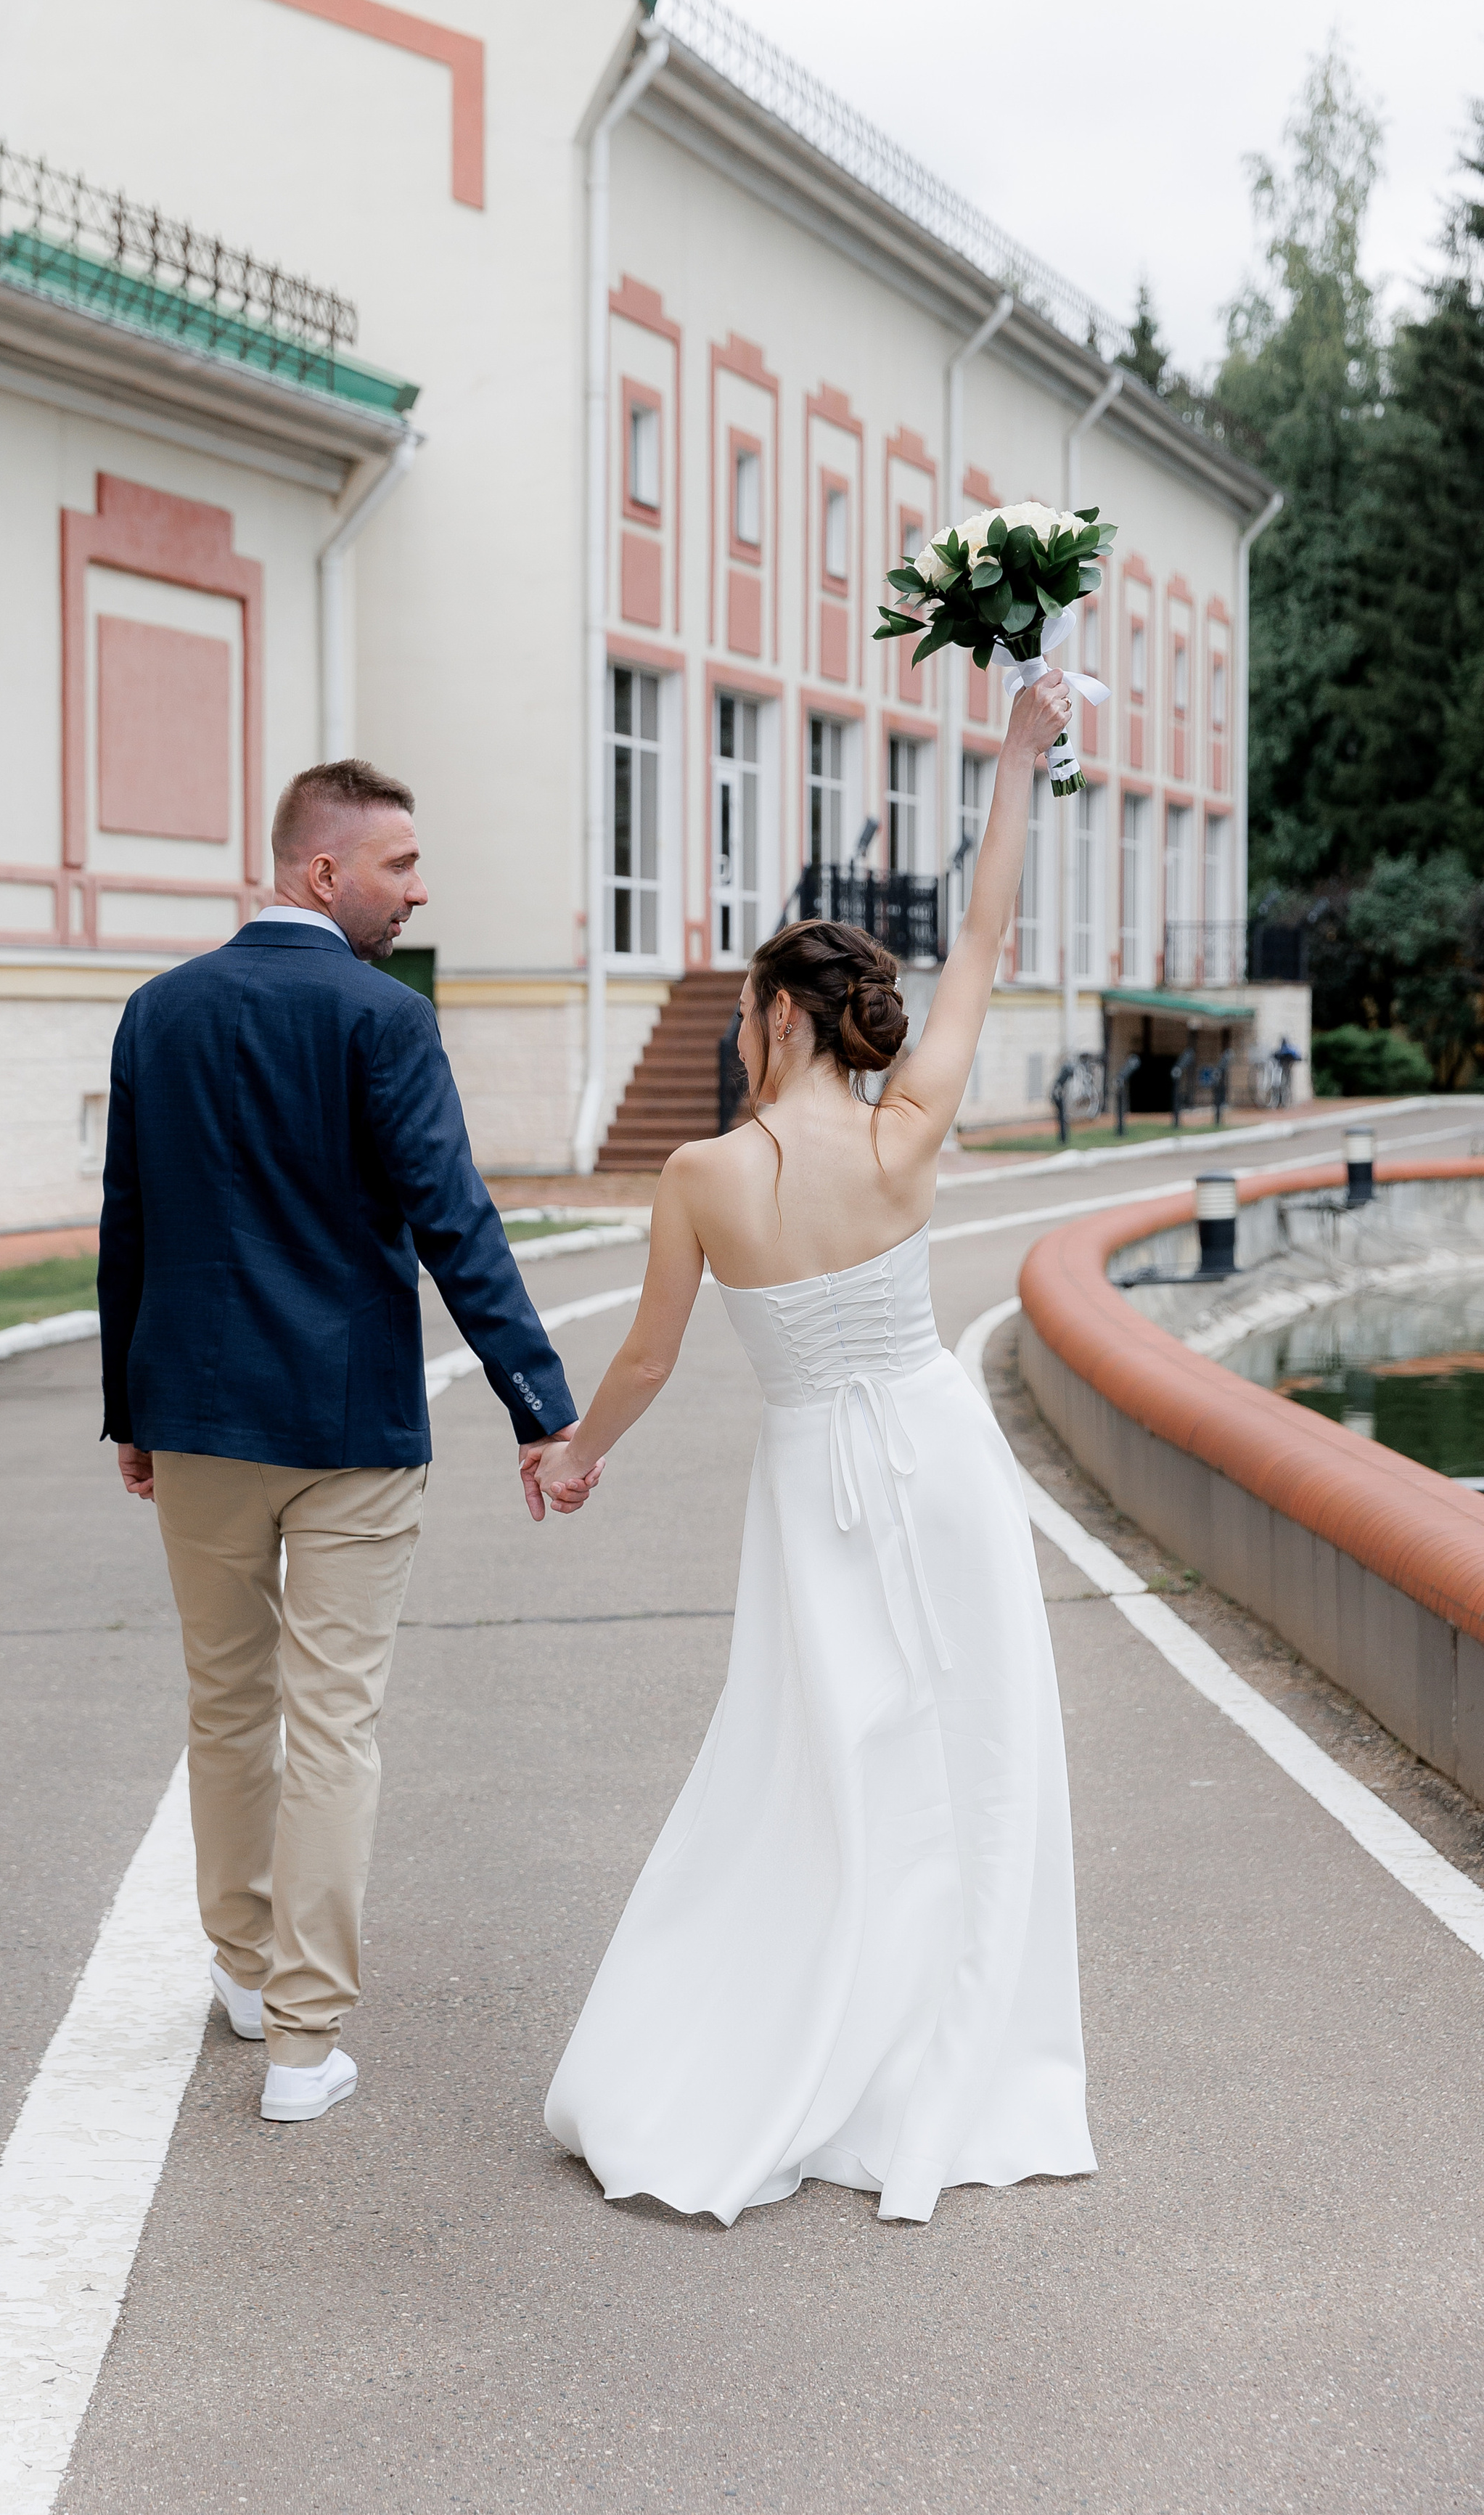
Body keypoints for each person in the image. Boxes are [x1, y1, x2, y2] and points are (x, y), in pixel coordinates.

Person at [538, 671, 1097, 2226]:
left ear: (778, 1012)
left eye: (737, 1008)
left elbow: (646, 1359)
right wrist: (1009, 760)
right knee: (965, 1757)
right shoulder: (907, 1130)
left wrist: (572, 1456)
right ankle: (943, 2045)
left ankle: (781, 2046)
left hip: (811, 1494)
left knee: (808, 1763)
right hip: (938, 1461)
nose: (730, 1029)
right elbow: (983, 936)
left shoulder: (701, 1175)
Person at [98, 758, 589, 2127]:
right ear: (323, 871)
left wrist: (128, 1409)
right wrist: (542, 1407)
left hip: (192, 1415)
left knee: (225, 1704)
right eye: (399, 866)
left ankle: (247, 1974)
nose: (419, 889)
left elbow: (125, 1224)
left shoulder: (157, 1014)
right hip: (349, 1425)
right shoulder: (386, 1018)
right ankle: (301, 2047)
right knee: (333, 1722)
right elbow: (455, 1223)